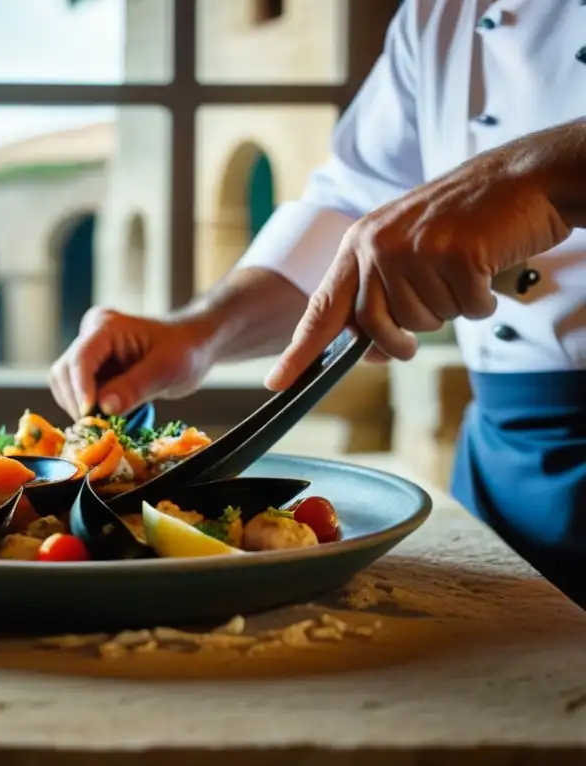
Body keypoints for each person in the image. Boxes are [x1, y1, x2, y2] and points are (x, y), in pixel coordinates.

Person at [49, 1, 586, 605]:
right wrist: (198, 333)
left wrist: (532, 175)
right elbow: (353, 205)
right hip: (497, 470)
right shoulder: (437, 12)